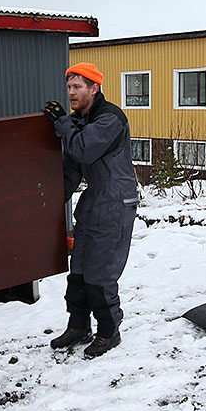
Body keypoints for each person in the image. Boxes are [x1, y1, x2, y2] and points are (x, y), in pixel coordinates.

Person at [42, 62, 138, 358]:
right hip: (94, 200)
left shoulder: (110, 118)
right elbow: (72, 168)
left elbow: (83, 149)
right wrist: (48, 202)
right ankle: (78, 326)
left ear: (94, 88)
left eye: (77, 86)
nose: (71, 92)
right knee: (80, 271)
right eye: (69, 87)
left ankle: (109, 331)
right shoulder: (79, 122)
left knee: (101, 273)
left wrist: (63, 125)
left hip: (116, 201)